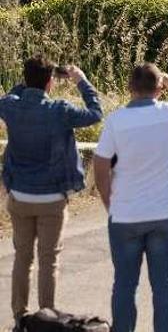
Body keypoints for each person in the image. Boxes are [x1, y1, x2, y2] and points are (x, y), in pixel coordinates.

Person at [93, 64, 168, 332]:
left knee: (125, 285)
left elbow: (100, 164)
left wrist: (109, 202)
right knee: (164, 285)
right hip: (165, 213)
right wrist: (167, 77)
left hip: (126, 215)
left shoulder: (116, 121)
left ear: (130, 88)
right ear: (159, 89)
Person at [1, 56, 102, 325]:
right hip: (52, 199)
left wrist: (25, 86)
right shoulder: (60, 110)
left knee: (22, 258)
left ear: (25, 78)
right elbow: (95, 112)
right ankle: (47, 316)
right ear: (50, 82)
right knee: (49, 259)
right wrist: (81, 80)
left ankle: (20, 316)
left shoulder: (10, 106)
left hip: (20, 196)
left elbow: (12, 95)